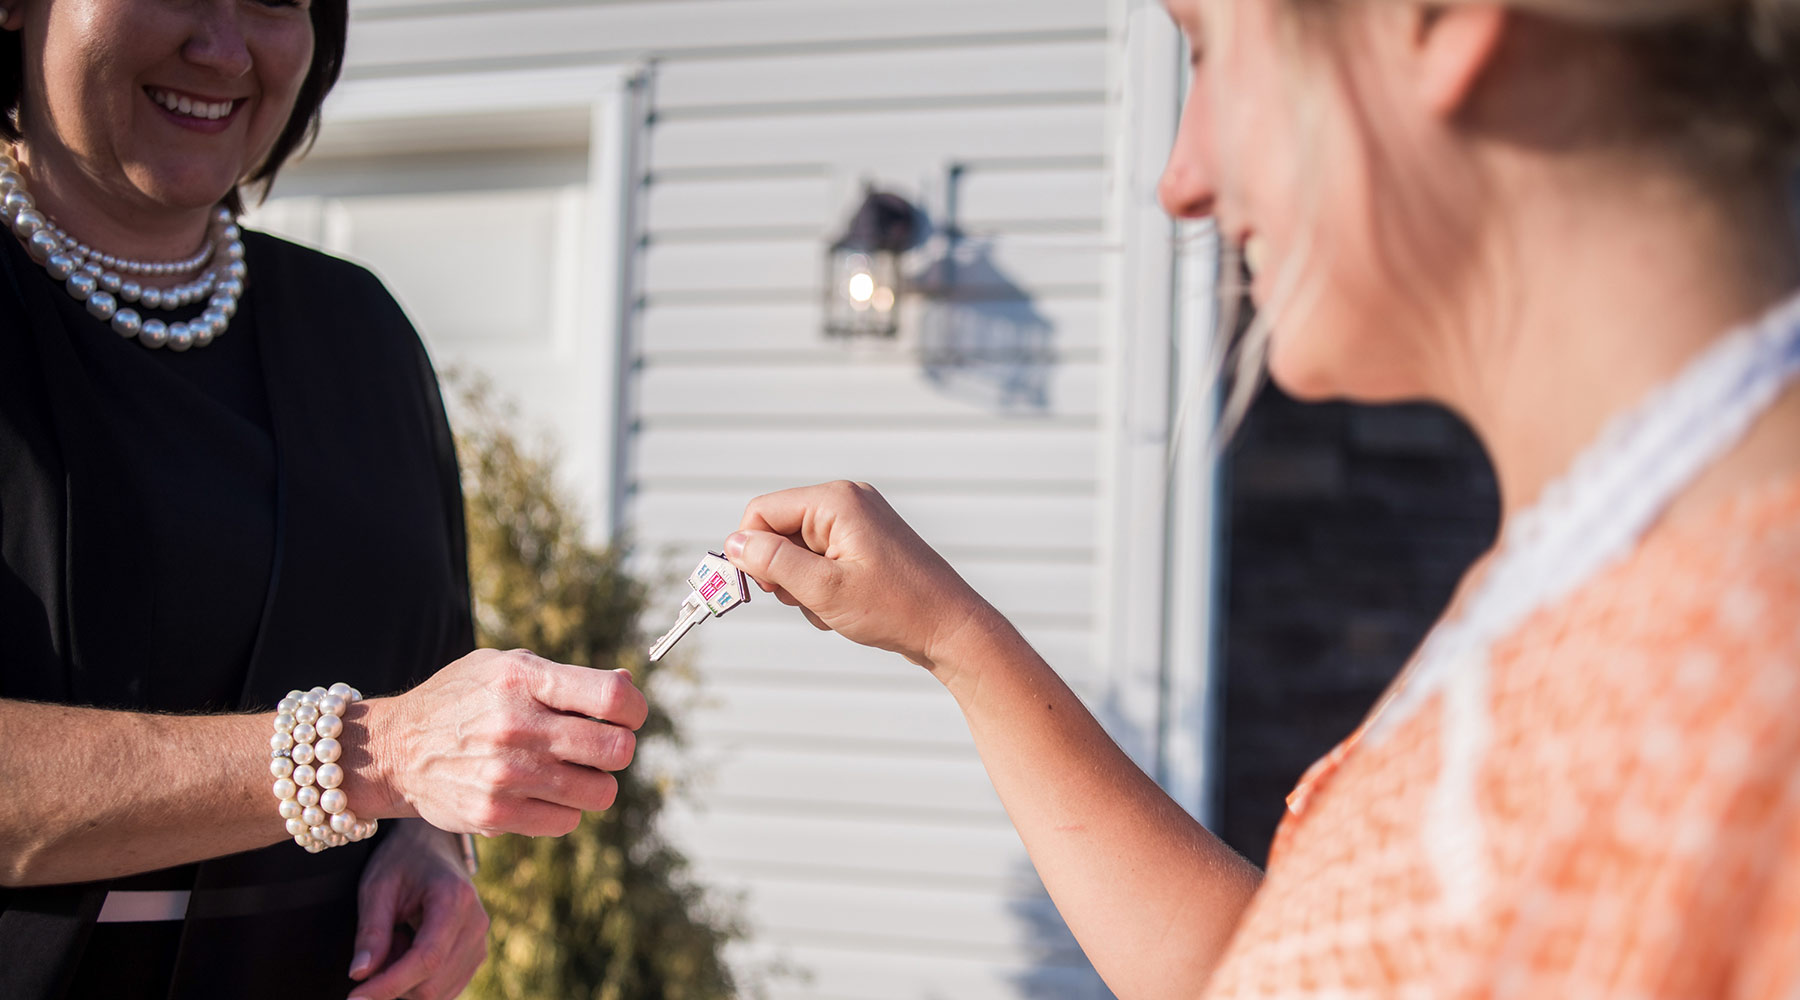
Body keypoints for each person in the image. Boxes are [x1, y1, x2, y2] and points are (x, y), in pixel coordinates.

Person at [723, 1, 1800, 997]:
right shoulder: (1588, 582)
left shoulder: (1750, 683)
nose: (1180, 181)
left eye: (1209, 48)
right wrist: (950, 635)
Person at [0, 2, 647, 999]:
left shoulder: (363, 334)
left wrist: (434, 846)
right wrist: (362, 757)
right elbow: (398, 738)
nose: (220, 48)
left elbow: (429, 675)